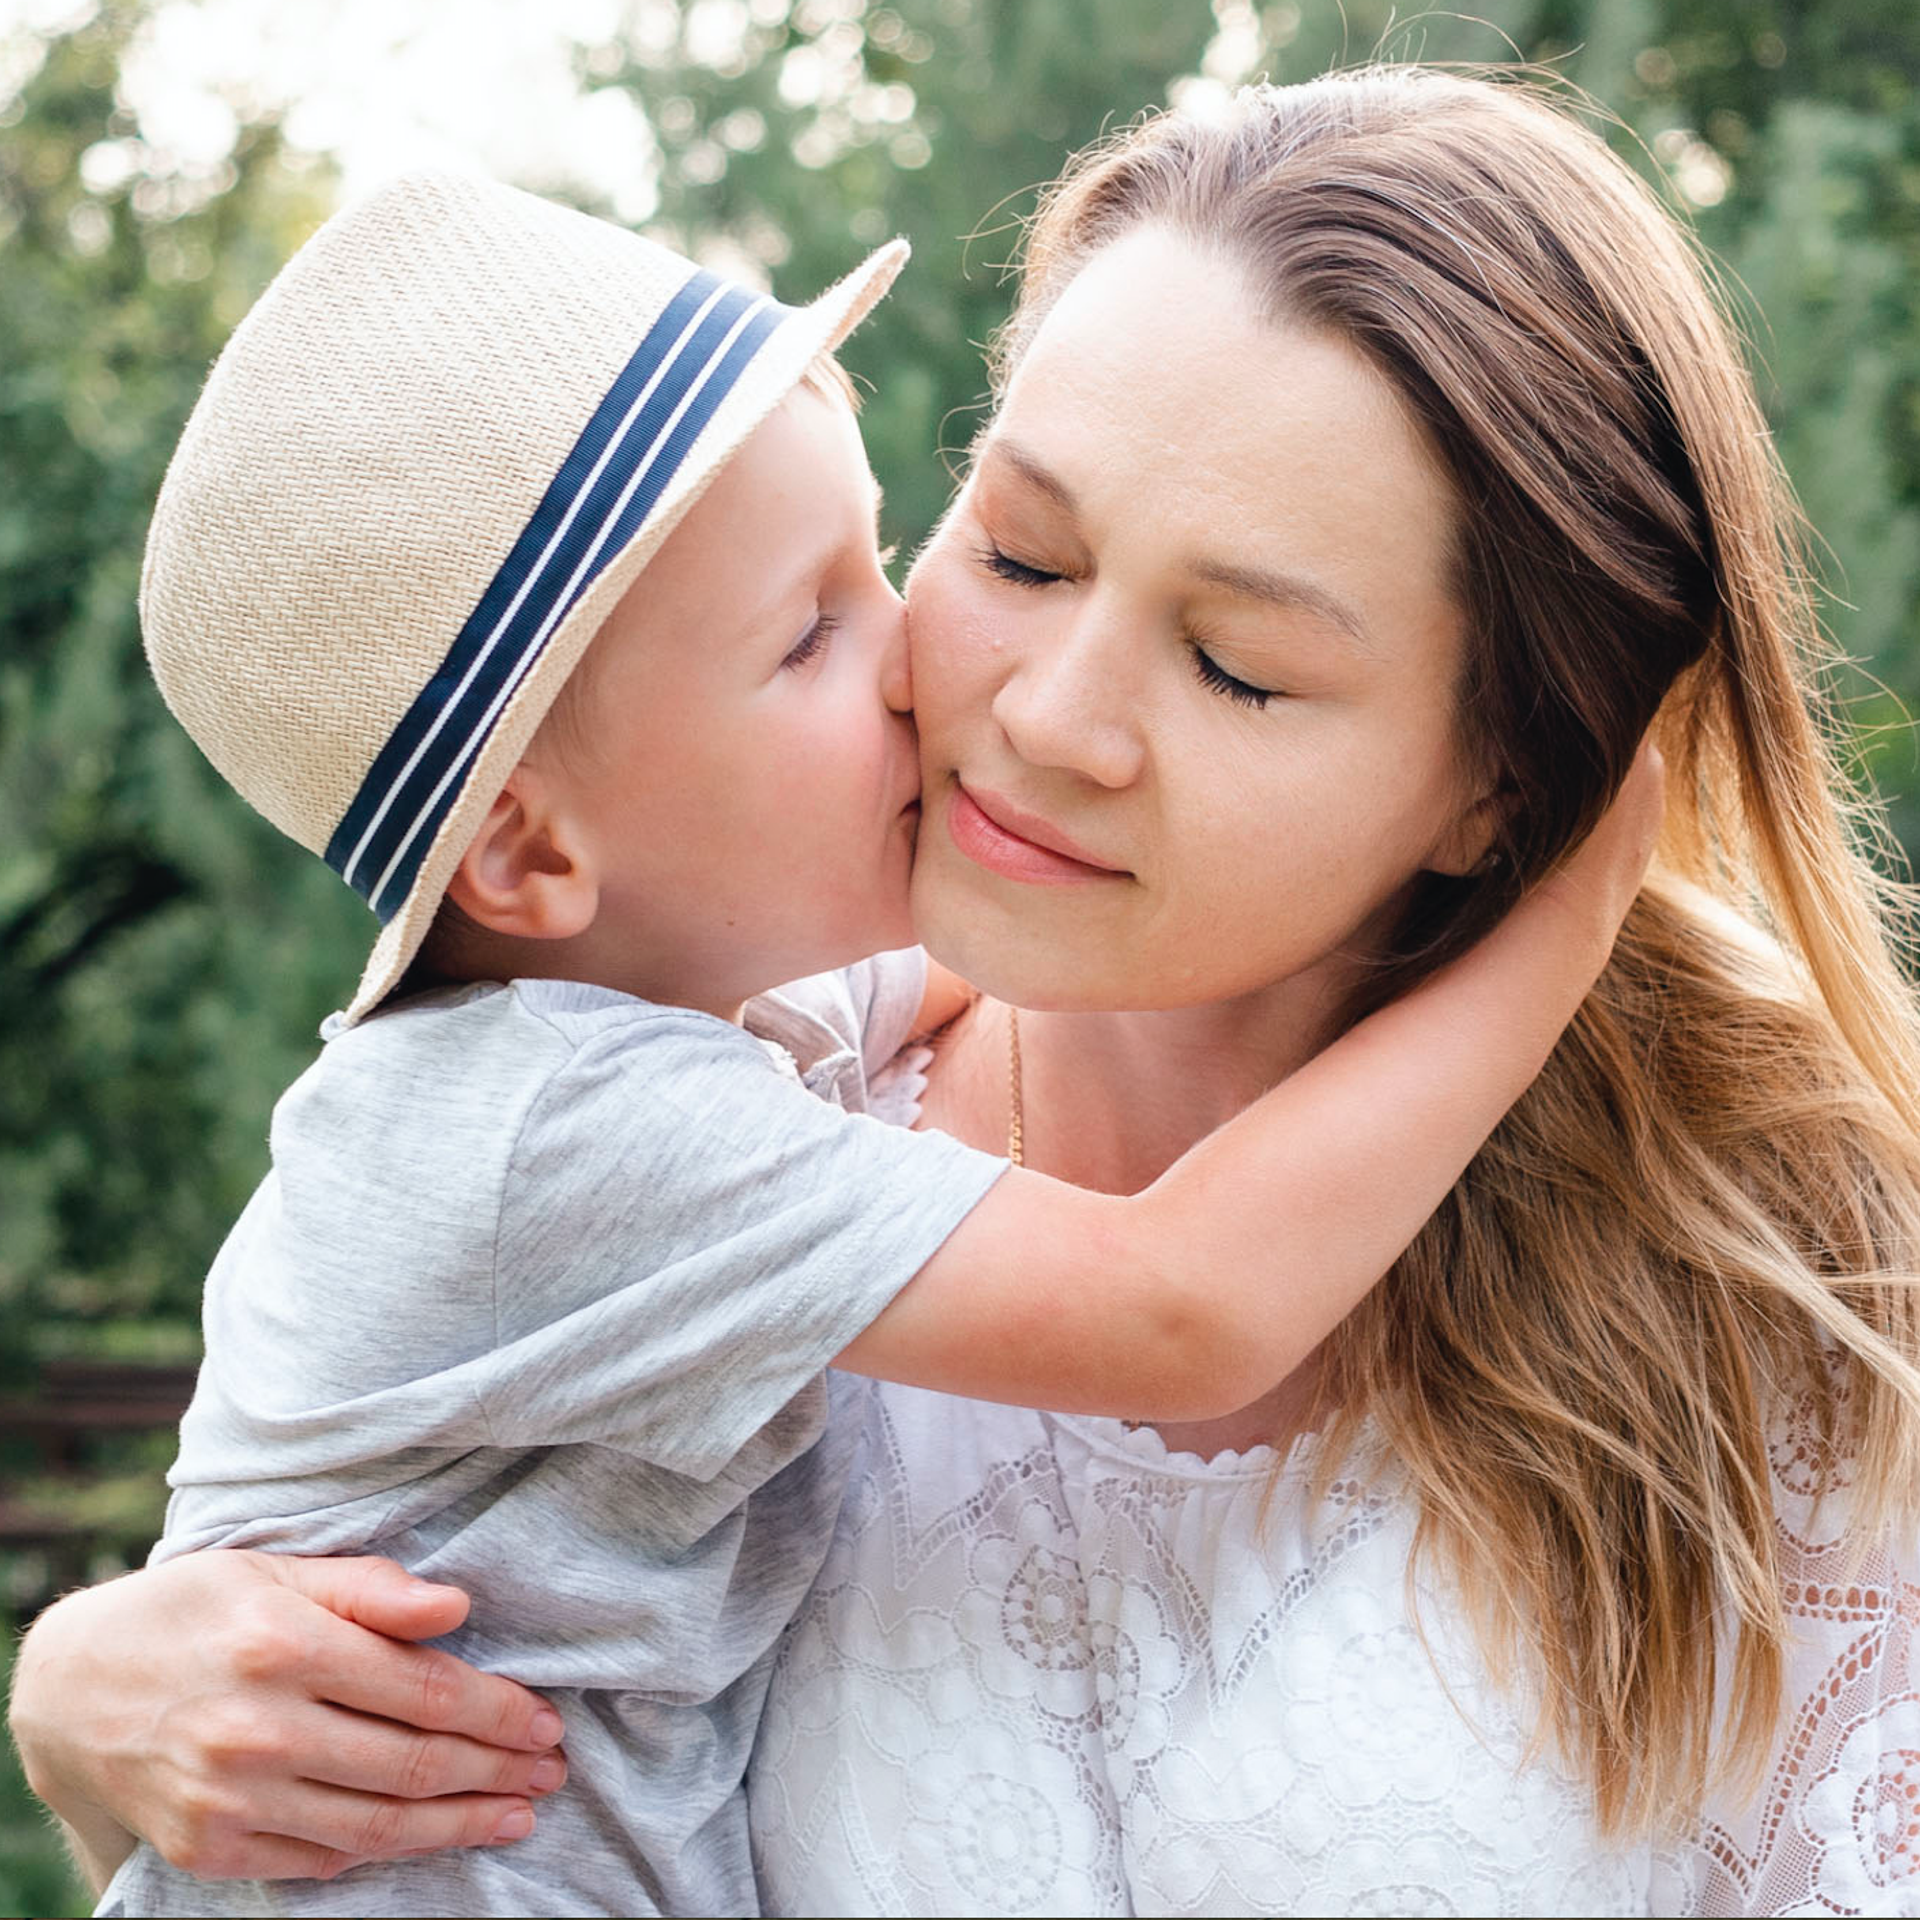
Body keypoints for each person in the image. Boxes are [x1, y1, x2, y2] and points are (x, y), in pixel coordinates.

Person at [16, 64, 1920, 1917]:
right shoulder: (703, 1126)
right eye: (1014, 550)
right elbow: (1183, 1303)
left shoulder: (1811, 1300)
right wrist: (94, 1723)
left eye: (1239, 667)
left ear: (1509, 773)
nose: (1045, 715)